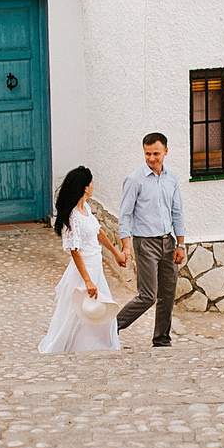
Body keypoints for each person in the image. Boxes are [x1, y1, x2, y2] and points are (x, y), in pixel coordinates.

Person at [39, 165, 130, 354]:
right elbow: (75, 251)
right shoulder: (72, 216)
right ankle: (65, 347)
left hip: (96, 266)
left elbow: (99, 232)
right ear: (85, 187)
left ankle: (97, 345)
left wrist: (116, 254)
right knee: (75, 312)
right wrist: (87, 280)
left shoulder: (86, 208)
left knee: (101, 308)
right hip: (84, 269)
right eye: (91, 182)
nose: (93, 185)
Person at [113, 131, 186, 348]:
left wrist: (181, 244)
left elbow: (177, 212)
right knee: (147, 295)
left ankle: (162, 339)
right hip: (145, 243)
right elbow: (125, 215)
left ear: (165, 151)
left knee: (168, 295)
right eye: (147, 154)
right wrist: (126, 246)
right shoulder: (135, 180)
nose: (151, 158)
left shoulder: (172, 178)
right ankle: (111, 327)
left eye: (155, 153)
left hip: (169, 242)